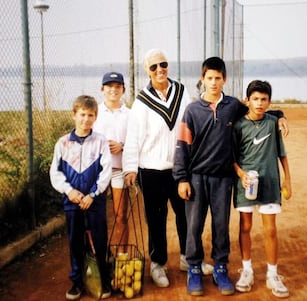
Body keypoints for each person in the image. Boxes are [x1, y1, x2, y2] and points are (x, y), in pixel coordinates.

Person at [173, 57, 288, 296]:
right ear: (202, 80)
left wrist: (281, 114)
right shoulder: (192, 110)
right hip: (196, 176)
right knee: (194, 225)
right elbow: (182, 145)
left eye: (218, 78)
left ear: (224, 79)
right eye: (209, 78)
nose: (214, 83)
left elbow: (259, 110)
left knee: (220, 225)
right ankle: (194, 269)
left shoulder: (233, 106)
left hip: (223, 178)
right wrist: (182, 178)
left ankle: (221, 268)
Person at [122, 48, 213, 288]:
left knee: (187, 216)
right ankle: (158, 264)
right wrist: (130, 168)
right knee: (156, 219)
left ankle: (188, 258)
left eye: (163, 64)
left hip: (181, 168)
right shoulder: (141, 101)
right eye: (154, 67)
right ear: (147, 71)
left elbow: (195, 119)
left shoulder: (182, 92)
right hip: (151, 170)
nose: (159, 70)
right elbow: (133, 137)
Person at [232, 80, 291, 298]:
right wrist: (241, 174)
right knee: (245, 227)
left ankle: (272, 274)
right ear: (247, 100)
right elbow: (233, 158)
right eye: (255, 99)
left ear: (269, 102)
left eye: (263, 99)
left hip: (270, 183)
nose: (259, 103)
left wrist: (288, 180)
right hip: (246, 183)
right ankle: (246, 271)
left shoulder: (273, 122)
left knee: (270, 230)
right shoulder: (238, 126)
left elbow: (282, 155)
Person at [49, 95, 112, 300]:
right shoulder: (63, 143)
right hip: (73, 202)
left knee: (100, 241)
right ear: (74, 115)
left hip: (95, 202)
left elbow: (106, 171)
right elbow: (55, 173)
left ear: (96, 116)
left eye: (90, 115)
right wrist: (70, 191)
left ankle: (103, 279)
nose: (86, 119)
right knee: (75, 241)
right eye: (82, 115)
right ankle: (77, 281)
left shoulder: (101, 141)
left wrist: (93, 194)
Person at [93, 72, 130, 254]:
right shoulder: (96, 113)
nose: (113, 90)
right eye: (109, 86)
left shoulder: (130, 114)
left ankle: (122, 257)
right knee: (96, 216)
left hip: (119, 170)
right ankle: (99, 255)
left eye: (117, 86)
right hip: (98, 171)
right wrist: (102, 147)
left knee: (120, 215)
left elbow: (136, 140)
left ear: (123, 89)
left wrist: (122, 146)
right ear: (102, 89)